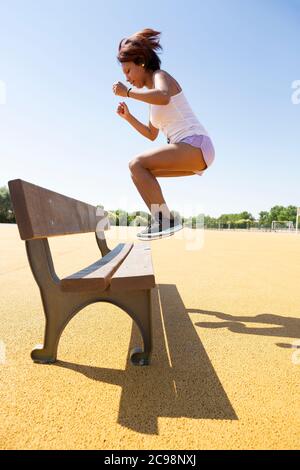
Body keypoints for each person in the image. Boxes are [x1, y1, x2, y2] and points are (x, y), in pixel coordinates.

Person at [112, 28, 215, 240]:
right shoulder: (151, 99)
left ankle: (165, 221)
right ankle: (164, 220)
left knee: (136, 164)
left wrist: (128, 93)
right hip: (193, 153)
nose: (127, 79)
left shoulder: (161, 76)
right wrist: (128, 117)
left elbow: (164, 96)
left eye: (128, 71)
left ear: (141, 63)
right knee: (140, 172)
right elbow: (151, 134)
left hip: (196, 144)